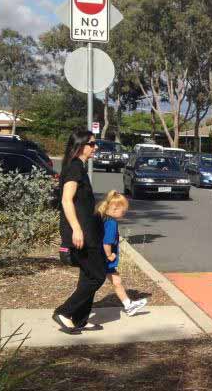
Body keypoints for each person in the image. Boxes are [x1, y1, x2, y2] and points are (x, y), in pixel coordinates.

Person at [53, 129, 107, 334]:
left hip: (89, 232)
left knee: (87, 275)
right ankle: (65, 312)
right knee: (97, 276)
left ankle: (80, 319)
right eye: (92, 144)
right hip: (81, 234)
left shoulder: (79, 167)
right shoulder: (75, 167)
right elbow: (66, 200)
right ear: (80, 146)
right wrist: (76, 229)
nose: (95, 147)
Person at [97, 190, 148, 315]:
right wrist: (109, 255)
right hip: (104, 259)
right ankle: (78, 306)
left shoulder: (104, 219)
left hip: (99, 258)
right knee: (93, 283)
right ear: (114, 208)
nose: (124, 213)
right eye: (123, 210)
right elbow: (106, 242)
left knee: (116, 281)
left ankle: (128, 304)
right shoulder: (111, 223)